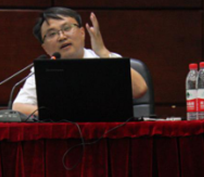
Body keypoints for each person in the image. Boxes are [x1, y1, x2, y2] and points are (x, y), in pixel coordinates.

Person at [12, 7, 148, 117]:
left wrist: (104, 53)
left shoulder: (105, 59)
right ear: (45, 47)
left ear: (82, 32)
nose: (62, 37)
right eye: (52, 34)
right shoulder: (45, 71)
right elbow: (18, 107)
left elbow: (140, 89)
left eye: (67, 28)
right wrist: (58, 113)